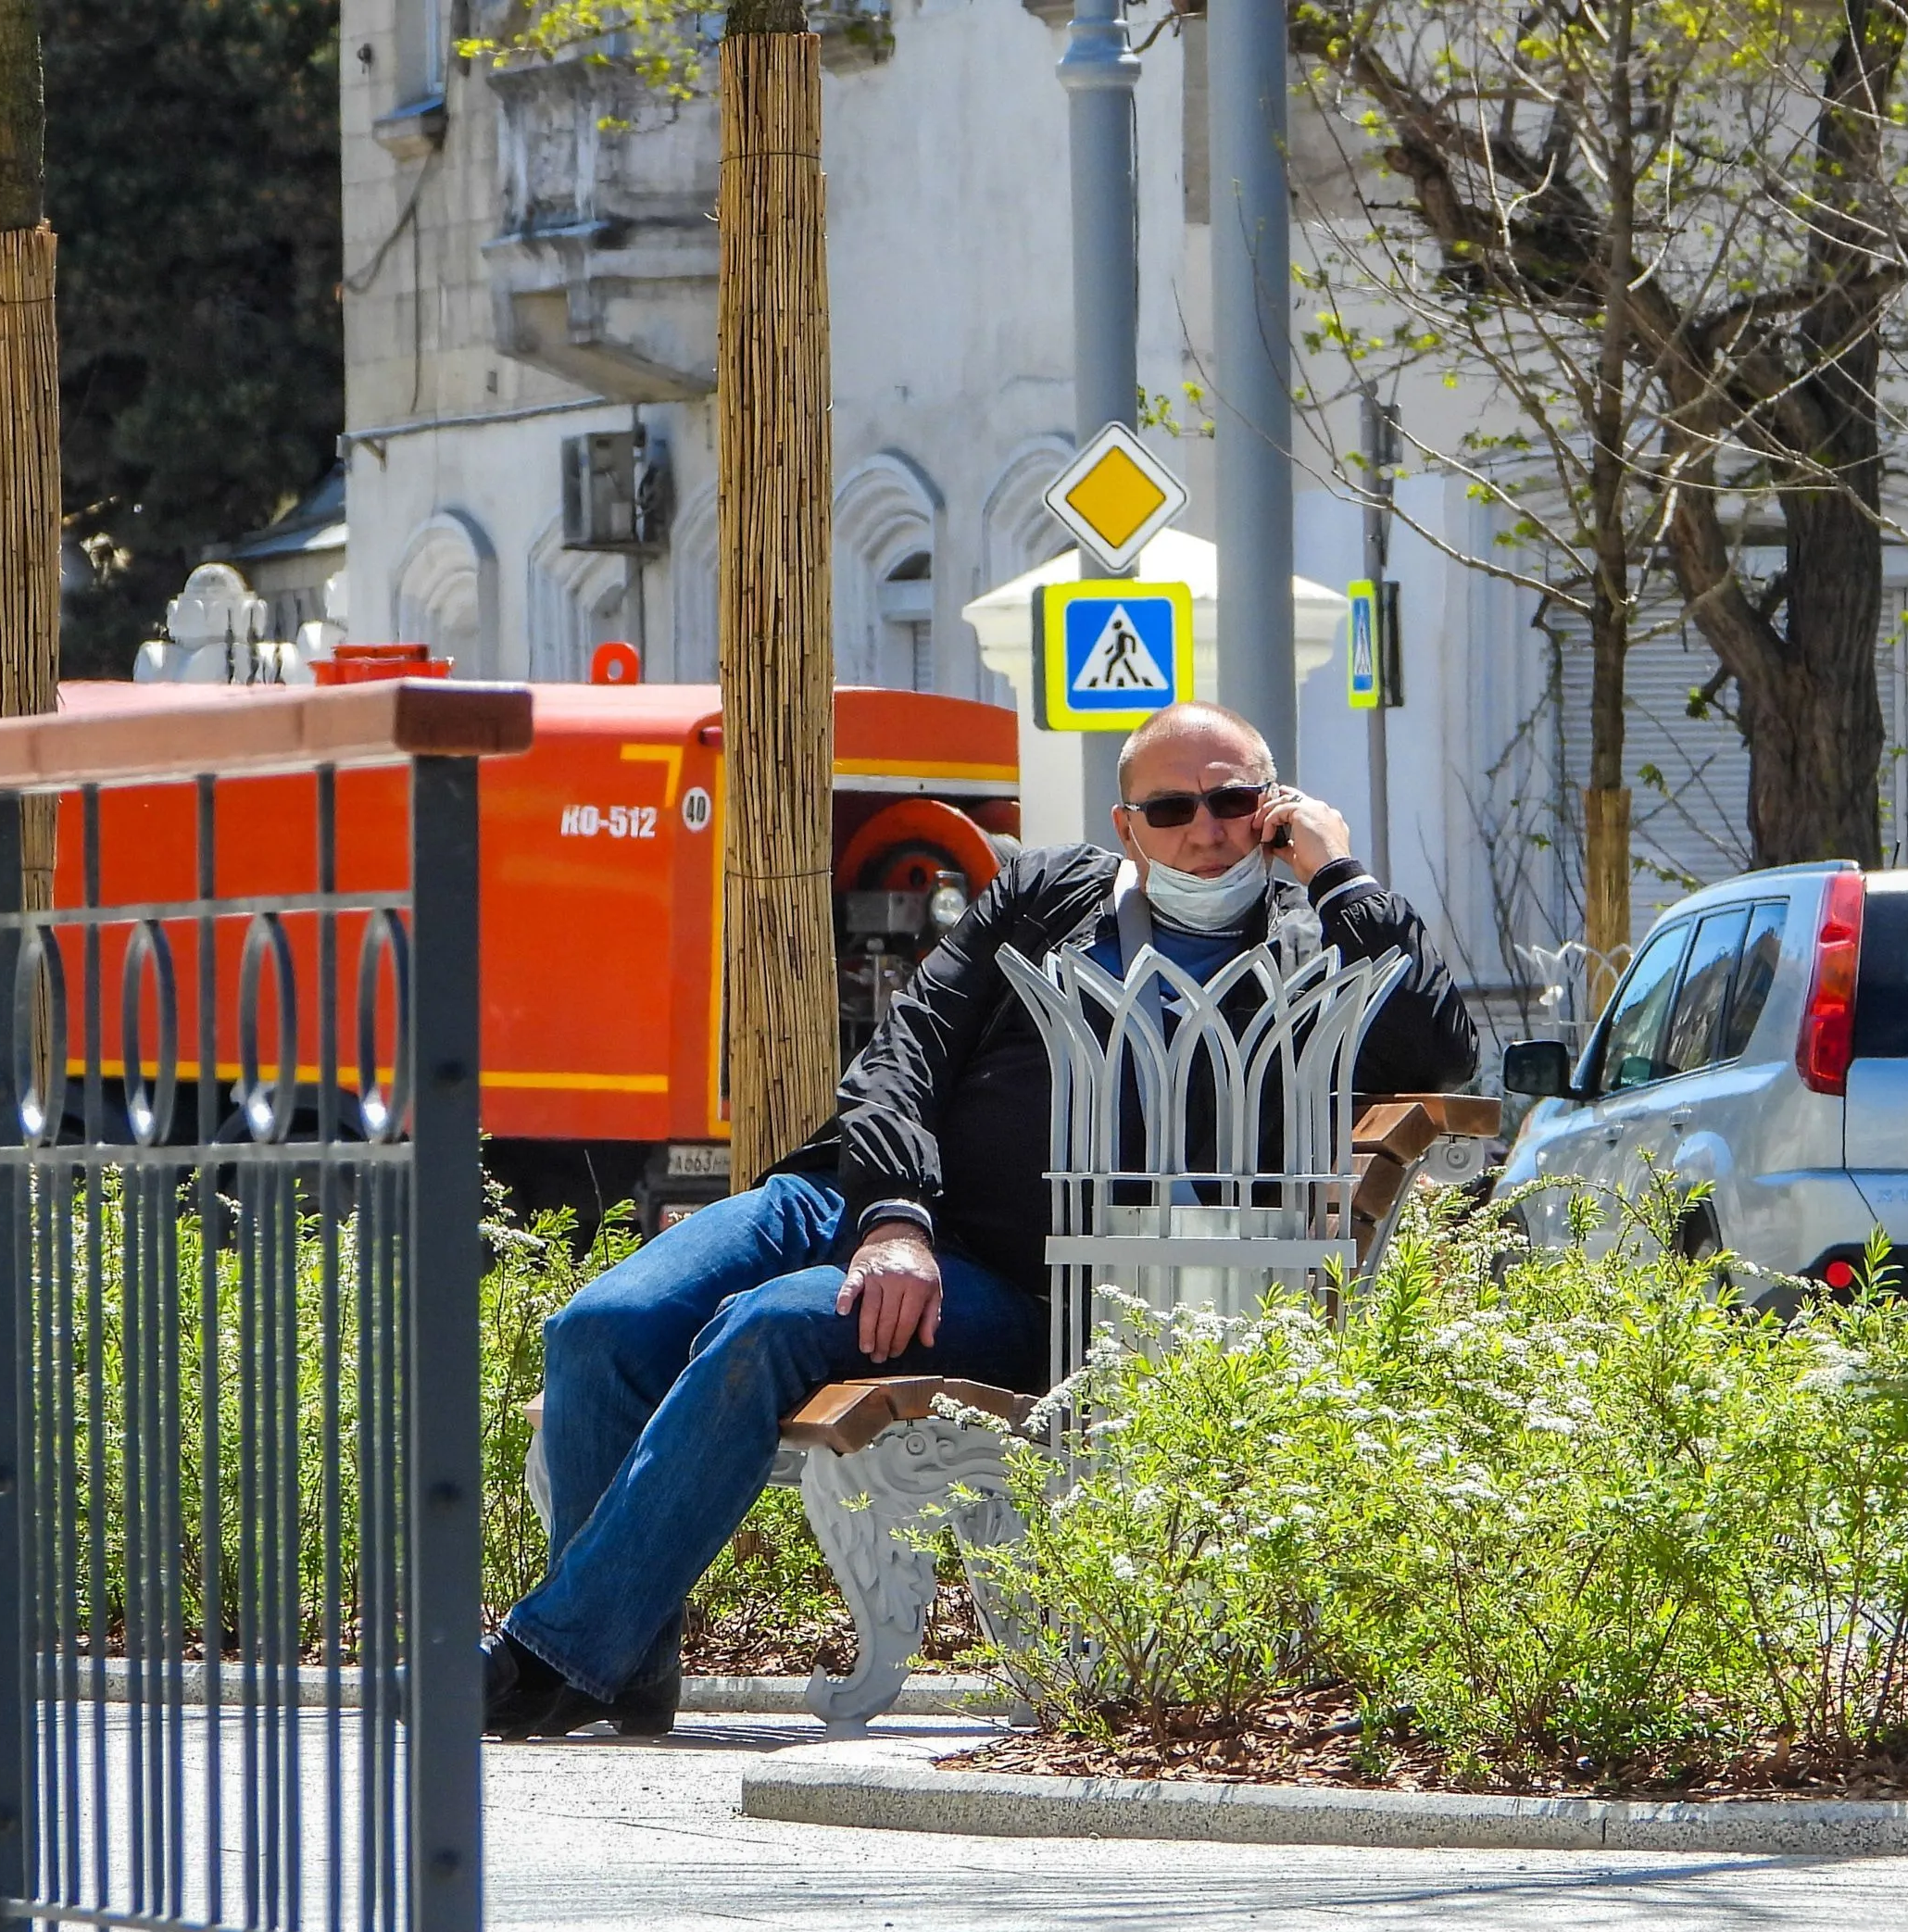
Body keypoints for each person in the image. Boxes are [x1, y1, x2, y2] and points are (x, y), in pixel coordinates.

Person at [482, 702, 1477, 1737]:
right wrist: (895, 1219)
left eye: (1234, 801)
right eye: (1174, 807)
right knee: (599, 1325)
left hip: (1028, 1279)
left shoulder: (1307, 947)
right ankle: (617, 1660)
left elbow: (1443, 1052)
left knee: (773, 1326)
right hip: (861, 1200)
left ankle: (546, 1660)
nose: (1208, 828)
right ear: (1127, 822)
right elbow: (902, 1057)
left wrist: (1339, 872)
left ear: (1274, 809)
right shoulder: (1053, 895)